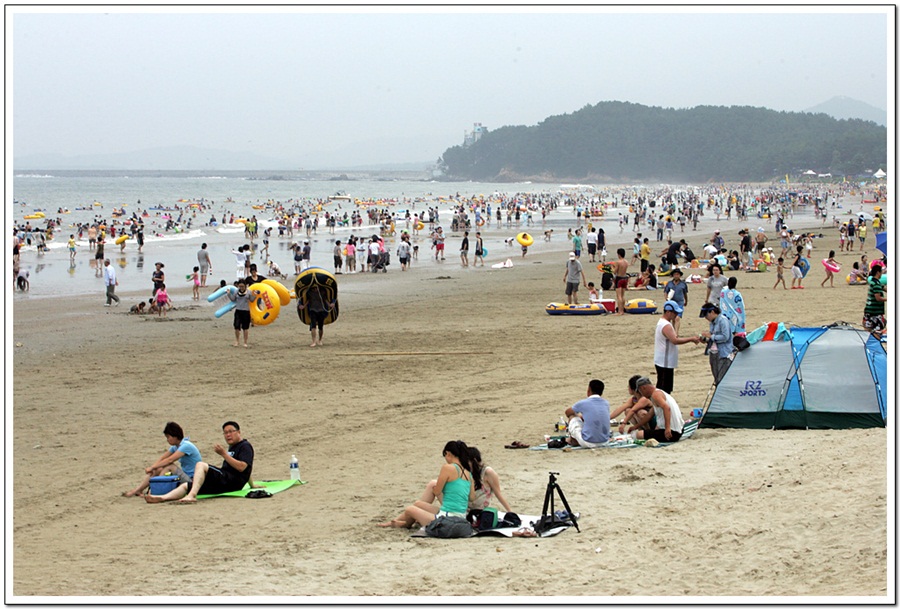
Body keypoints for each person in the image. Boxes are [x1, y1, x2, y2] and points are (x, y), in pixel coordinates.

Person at [144, 421, 254, 504]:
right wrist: (252, 485)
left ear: (238, 432)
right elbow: (246, 469)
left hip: (231, 480)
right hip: (226, 482)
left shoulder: (245, 446)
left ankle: (192, 495)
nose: (228, 435)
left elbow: (242, 467)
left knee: (201, 465)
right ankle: (162, 498)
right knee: (186, 485)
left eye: (231, 432)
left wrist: (223, 454)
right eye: (225, 433)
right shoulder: (233, 447)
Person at [377, 440, 479, 528]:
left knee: (410, 509)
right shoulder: (468, 474)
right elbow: (472, 498)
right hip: (461, 516)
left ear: (448, 454)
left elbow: (437, 491)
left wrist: (441, 489)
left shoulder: (448, 468)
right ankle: (399, 522)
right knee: (418, 504)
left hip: (448, 518)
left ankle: (404, 525)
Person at [409, 446, 513, 516]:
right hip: (460, 506)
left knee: (418, 506)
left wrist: (511, 513)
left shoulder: (487, 473)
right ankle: (413, 517)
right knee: (433, 484)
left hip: (474, 512)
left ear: (474, 461)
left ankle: (413, 516)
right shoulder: (464, 471)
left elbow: (498, 493)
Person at [124, 422, 201, 498]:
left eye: (168, 437)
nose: (167, 440)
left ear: (175, 435)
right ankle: (138, 490)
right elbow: (162, 459)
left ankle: (155, 491)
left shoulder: (186, 445)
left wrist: (152, 467)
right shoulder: (176, 446)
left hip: (193, 479)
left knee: (169, 466)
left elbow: (170, 460)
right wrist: (153, 468)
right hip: (186, 475)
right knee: (158, 468)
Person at [654, 300, 701, 394]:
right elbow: (675, 340)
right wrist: (691, 339)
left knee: (664, 387)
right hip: (665, 362)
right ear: (668, 312)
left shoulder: (663, 322)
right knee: (664, 389)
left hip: (663, 360)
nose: (676, 315)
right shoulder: (666, 325)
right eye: (674, 313)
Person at [630, 377, 685, 442]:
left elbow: (667, 408)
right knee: (650, 432)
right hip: (680, 430)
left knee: (638, 435)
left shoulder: (655, 395)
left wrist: (667, 428)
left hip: (672, 433)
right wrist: (636, 426)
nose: (642, 395)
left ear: (643, 388)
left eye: (640, 391)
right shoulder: (659, 392)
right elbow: (650, 414)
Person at [564, 379, 611, 448]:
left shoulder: (584, 403)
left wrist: (577, 415)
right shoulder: (606, 403)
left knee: (572, 417)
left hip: (588, 442)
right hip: (605, 441)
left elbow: (568, 412)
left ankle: (573, 441)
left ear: (589, 390)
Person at [699, 302, 734, 383]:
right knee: (716, 378)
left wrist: (711, 336)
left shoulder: (723, 321)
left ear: (712, 312)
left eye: (706, 315)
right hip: (714, 352)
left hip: (724, 354)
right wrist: (705, 339)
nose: (706, 318)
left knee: (722, 378)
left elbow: (726, 337)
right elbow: (713, 338)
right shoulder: (712, 322)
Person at [229, 280, 259, 348]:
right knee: (236, 326)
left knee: (245, 328)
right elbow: (233, 299)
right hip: (238, 311)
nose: (241, 288)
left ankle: (245, 342)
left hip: (246, 311)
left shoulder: (249, 292)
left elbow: (251, 300)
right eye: (240, 286)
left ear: (245, 286)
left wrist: (255, 295)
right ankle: (237, 341)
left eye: (242, 286)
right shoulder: (236, 291)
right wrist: (228, 294)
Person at [863, 265, 886, 339]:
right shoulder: (876, 284)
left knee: (868, 330)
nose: (882, 273)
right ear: (878, 272)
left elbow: (883, 287)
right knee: (877, 331)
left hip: (868, 310)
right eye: (881, 272)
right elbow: (878, 298)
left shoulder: (874, 282)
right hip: (875, 312)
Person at [613, 247, 629, 315]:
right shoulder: (626, 262)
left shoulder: (618, 262)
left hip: (619, 278)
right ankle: (622, 310)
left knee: (619, 296)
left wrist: (612, 267)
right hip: (625, 278)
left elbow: (614, 272)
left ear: (619, 254)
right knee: (622, 296)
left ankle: (620, 311)